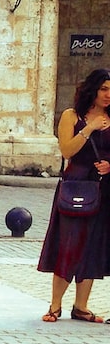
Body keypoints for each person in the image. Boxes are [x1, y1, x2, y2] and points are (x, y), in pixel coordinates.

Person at [37, 67, 110, 323]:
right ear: (92, 89)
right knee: (69, 244)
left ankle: (81, 306)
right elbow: (67, 150)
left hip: (103, 189)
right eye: (104, 89)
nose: (108, 95)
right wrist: (89, 128)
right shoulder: (72, 116)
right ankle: (55, 305)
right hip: (76, 186)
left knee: (92, 247)